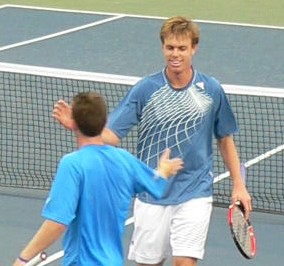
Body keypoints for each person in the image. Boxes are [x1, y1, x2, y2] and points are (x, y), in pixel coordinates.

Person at [52, 16, 252, 266]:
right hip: (151, 193)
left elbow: (224, 138)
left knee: (184, 262)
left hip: (195, 191)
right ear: (162, 48)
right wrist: (78, 126)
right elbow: (111, 137)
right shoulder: (145, 89)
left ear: (194, 48)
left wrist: (238, 185)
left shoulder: (210, 89)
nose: (175, 54)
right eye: (170, 48)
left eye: (181, 48)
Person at [13, 92, 183, 266]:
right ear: (105, 123)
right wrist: (163, 170)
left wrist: (22, 259)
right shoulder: (125, 160)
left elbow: (57, 222)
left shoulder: (72, 164)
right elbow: (156, 184)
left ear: (75, 123)